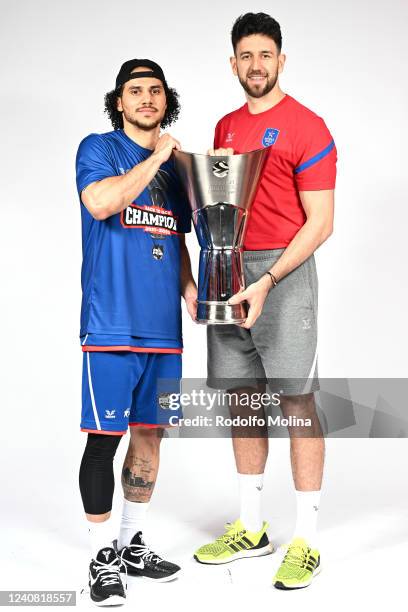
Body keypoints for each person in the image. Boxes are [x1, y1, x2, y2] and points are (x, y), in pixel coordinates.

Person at [194, 13, 337, 590]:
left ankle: (305, 540)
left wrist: (269, 278)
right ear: (233, 64)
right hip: (229, 273)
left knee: (296, 403)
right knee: (241, 401)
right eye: (245, 57)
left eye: (265, 55)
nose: (256, 66)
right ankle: (251, 530)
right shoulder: (226, 126)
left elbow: (322, 222)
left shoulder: (306, 126)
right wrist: (205, 271)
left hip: (283, 273)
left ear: (281, 60)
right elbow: (215, 208)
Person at [75, 58, 197, 605]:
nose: (146, 98)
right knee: (105, 441)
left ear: (165, 99)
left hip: (164, 332)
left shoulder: (178, 171)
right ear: (119, 101)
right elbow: (102, 202)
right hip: (111, 327)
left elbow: (176, 240)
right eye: (135, 91)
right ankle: (103, 557)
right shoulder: (98, 149)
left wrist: (191, 287)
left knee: (151, 435)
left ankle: (131, 543)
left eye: (155, 90)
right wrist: (158, 158)